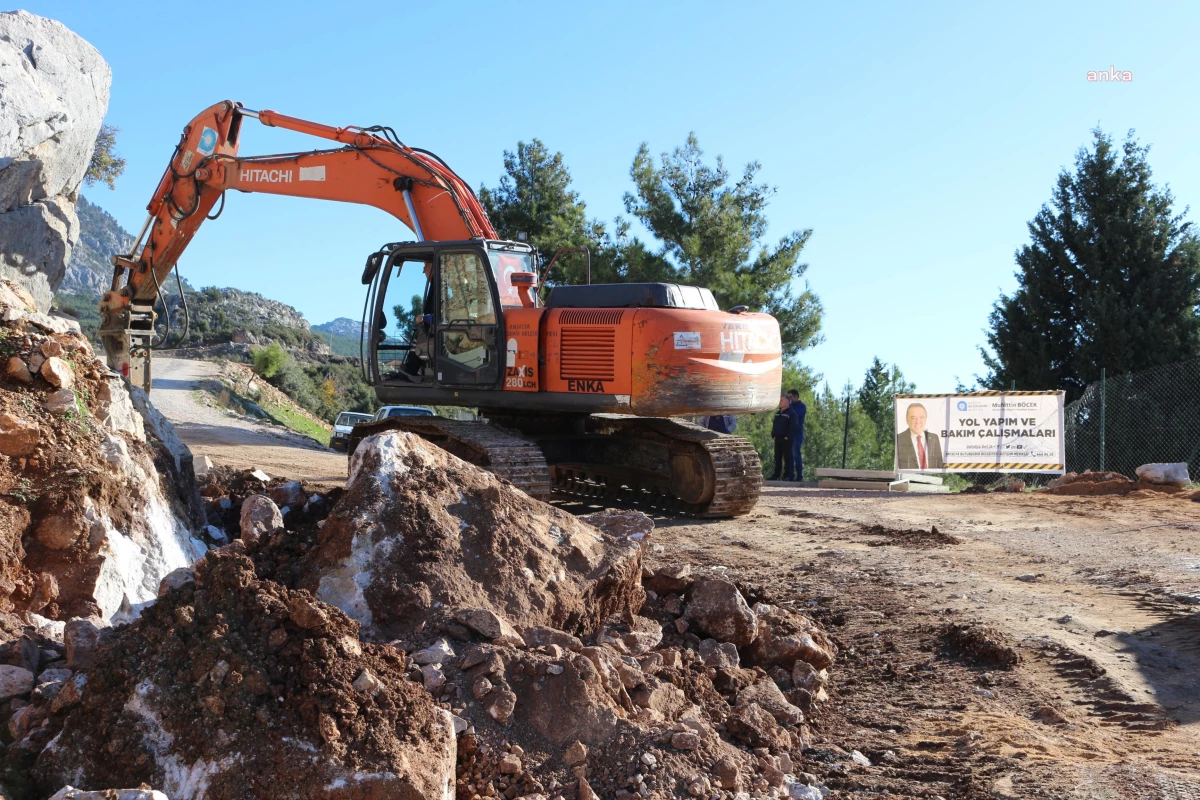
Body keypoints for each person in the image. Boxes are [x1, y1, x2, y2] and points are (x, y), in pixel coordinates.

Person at [895, 402, 944, 469]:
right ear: (907, 420)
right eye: (913, 418)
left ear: (926, 419)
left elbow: (940, 465)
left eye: (921, 417)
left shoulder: (934, 438)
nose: (918, 421)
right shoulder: (898, 440)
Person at [769, 395, 798, 480]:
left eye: (781, 400)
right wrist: (773, 435)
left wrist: (788, 436)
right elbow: (775, 425)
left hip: (786, 439)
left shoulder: (791, 413)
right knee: (777, 457)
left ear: (788, 401)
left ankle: (787, 475)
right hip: (777, 438)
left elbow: (794, 426)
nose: (780, 402)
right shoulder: (778, 413)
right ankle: (776, 475)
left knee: (787, 457)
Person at [786, 389, 806, 481]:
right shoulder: (789, 407)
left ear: (796, 396)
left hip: (797, 434)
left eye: (790, 397)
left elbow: (796, 417)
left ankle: (799, 476)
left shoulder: (801, 406)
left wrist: (789, 407)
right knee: (788, 455)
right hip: (788, 433)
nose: (789, 399)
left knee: (796, 454)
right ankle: (790, 475)